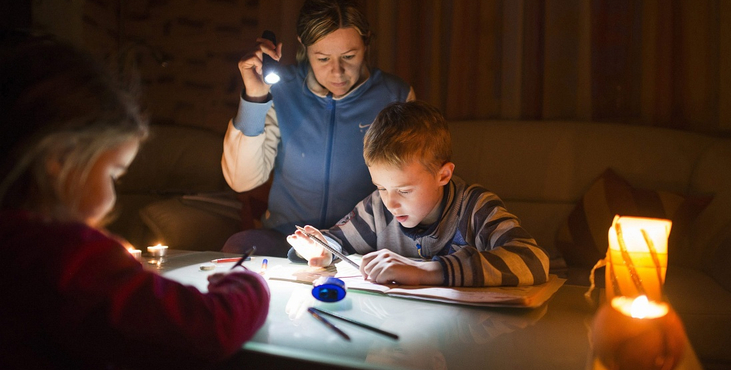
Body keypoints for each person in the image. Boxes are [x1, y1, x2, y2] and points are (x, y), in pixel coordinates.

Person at [0, 31, 270, 370]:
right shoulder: (68, 256)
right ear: (60, 159)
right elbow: (210, 327)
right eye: (114, 174)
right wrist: (248, 284)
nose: (113, 198)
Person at [222, 0, 414, 257]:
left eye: (349, 56)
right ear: (303, 45)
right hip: (287, 236)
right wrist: (255, 99)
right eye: (323, 58)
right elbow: (242, 180)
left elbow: (412, 183)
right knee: (238, 248)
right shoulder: (281, 90)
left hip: (362, 244)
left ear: (366, 44)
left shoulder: (395, 96)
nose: (337, 72)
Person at [287, 101, 550, 286]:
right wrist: (324, 251)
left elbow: (533, 261)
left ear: (443, 175)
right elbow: (338, 240)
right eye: (380, 187)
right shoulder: (377, 208)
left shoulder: (475, 207)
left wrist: (427, 271)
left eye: (404, 190)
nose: (390, 202)